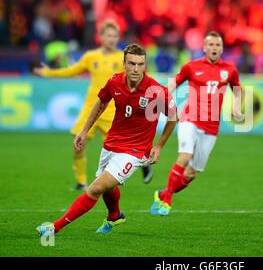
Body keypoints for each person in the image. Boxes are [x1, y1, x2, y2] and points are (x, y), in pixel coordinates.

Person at [36, 43, 177, 237]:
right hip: (112, 144)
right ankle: (115, 215)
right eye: (132, 63)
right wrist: (84, 131)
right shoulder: (114, 81)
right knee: (107, 188)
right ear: (124, 64)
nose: (136, 69)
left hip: (135, 151)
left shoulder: (156, 90)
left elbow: (173, 116)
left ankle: (55, 227)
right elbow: (101, 103)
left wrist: (159, 145)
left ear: (145, 65)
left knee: (96, 188)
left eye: (140, 64)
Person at [34, 21, 153, 190]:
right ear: (101, 37)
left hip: (112, 110)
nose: (111, 39)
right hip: (92, 107)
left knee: (120, 150)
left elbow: (139, 76)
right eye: (108, 35)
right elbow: (72, 70)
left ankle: (140, 163)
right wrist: (48, 72)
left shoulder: (123, 58)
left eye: (114, 36)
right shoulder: (91, 57)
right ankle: (81, 182)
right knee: (78, 144)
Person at [150, 31, 244, 216]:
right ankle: (167, 202)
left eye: (217, 45)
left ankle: (163, 194)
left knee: (192, 173)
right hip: (190, 118)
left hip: (211, 126)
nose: (214, 48)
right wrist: (162, 96)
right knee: (184, 156)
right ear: (204, 47)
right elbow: (174, 83)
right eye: (211, 45)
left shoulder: (230, 70)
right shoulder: (191, 66)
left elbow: (238, 90)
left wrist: (236, 108)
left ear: (222, 48)